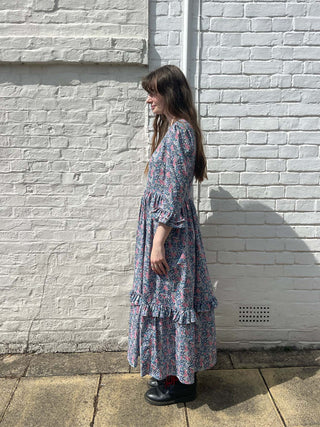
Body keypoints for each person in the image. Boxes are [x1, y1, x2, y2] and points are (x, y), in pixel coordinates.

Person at [127, 64, 218, 406]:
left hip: (171, 236)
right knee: (165, 304)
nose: (149, 99)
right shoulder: (175, 130)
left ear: (170, 94)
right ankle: (170, 372)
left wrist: (158, 242)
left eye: (153, 92)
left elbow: (175, 193)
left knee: (174, 303)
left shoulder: (181, 133)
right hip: (166, 232)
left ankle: (182, 382)